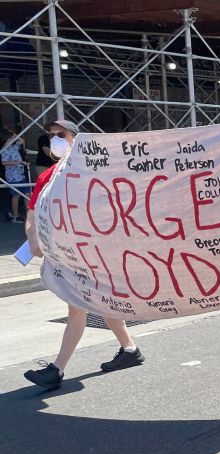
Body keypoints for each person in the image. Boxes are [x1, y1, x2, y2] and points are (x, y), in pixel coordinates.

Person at [23, 119, 144, 391]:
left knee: (77, 307)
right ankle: (129, 349)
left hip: (92, 255)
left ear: (75, 139)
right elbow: (32, 214)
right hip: (66, 255)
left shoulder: (95, 173)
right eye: (52, 135)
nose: (54, 140)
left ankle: (56, 370)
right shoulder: (47, 176)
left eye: (60, 134)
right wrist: (33, 239)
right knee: (99, 303)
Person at [2, 127, 30, 222]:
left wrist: (14, 134)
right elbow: (4, 162)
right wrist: (19, 162)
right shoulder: (4, 150)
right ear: (7, 139)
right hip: (13, 176)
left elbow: (22, 140)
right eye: (12, 138)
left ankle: (29, 213)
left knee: (27, 193)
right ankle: (15, 215)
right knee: (16, 195)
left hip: (20, 173)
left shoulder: (14, 147)